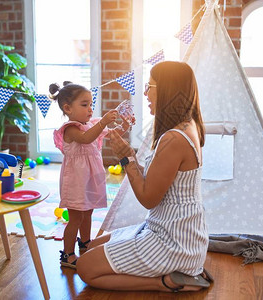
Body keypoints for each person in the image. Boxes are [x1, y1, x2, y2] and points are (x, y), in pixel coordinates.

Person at [76, 61, 213, 292]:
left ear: (167, 90)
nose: (145, 93)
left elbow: (148, 198)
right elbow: (157, 178)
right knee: (91, 247)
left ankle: (166, 283)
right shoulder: (185, 126)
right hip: (170, 228)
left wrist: (125, 159)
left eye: (150, 86)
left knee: (85, 267)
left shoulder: (174, 138)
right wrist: (130, 155)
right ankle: (178, 273)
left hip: (173, 241)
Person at [51, 81, 122, 268]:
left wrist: (124, 125)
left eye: (91, 104)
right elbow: (86, 138)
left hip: (90, 178)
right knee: (75, 217)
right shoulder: (71, 128)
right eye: (84, 105)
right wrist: (104, 121)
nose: (90, 109)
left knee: (88, 212)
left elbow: (109, 133)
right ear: (68, 108)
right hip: (76, 180)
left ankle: (85, 242)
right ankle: (67, 254)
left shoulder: (91, 124)